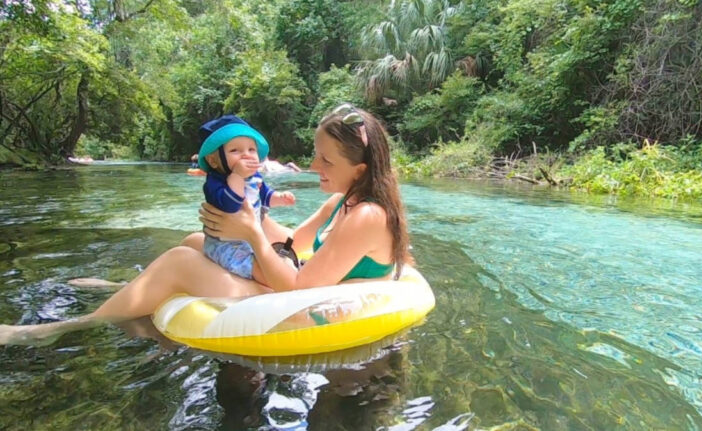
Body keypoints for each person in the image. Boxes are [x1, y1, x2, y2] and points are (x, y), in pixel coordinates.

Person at [0, 103, 410, 346]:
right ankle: (126, 291)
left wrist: (249, 233)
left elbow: (301, 288)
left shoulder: (368, 216)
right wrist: (248, 215)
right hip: (296, 279)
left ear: (359, 169)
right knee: (195, 239)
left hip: (297, 300)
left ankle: (63, 328)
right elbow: (294, 240)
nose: (312, 165)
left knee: (179, 262)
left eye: (325, 160)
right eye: (316, 154)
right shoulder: (342, 202)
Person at [196, 115, 296, 280]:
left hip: (247, 239)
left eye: (251, 150)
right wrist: (237, 176)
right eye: (235, 151)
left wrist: (280, 198)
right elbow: (230, 205)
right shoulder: (214, 183)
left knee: (271, 260)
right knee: (262, 273)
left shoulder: (254, 178)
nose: (246, 155)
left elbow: (265, 195)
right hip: (225, 246)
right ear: (213, 161)